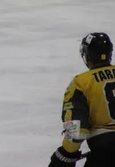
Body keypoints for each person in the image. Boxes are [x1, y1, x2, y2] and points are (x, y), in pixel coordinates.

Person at [48, 32, 115, 167]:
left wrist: (65, 154)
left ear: (88, 55)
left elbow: (77, 130)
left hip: (105, 152)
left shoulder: (81, 82)